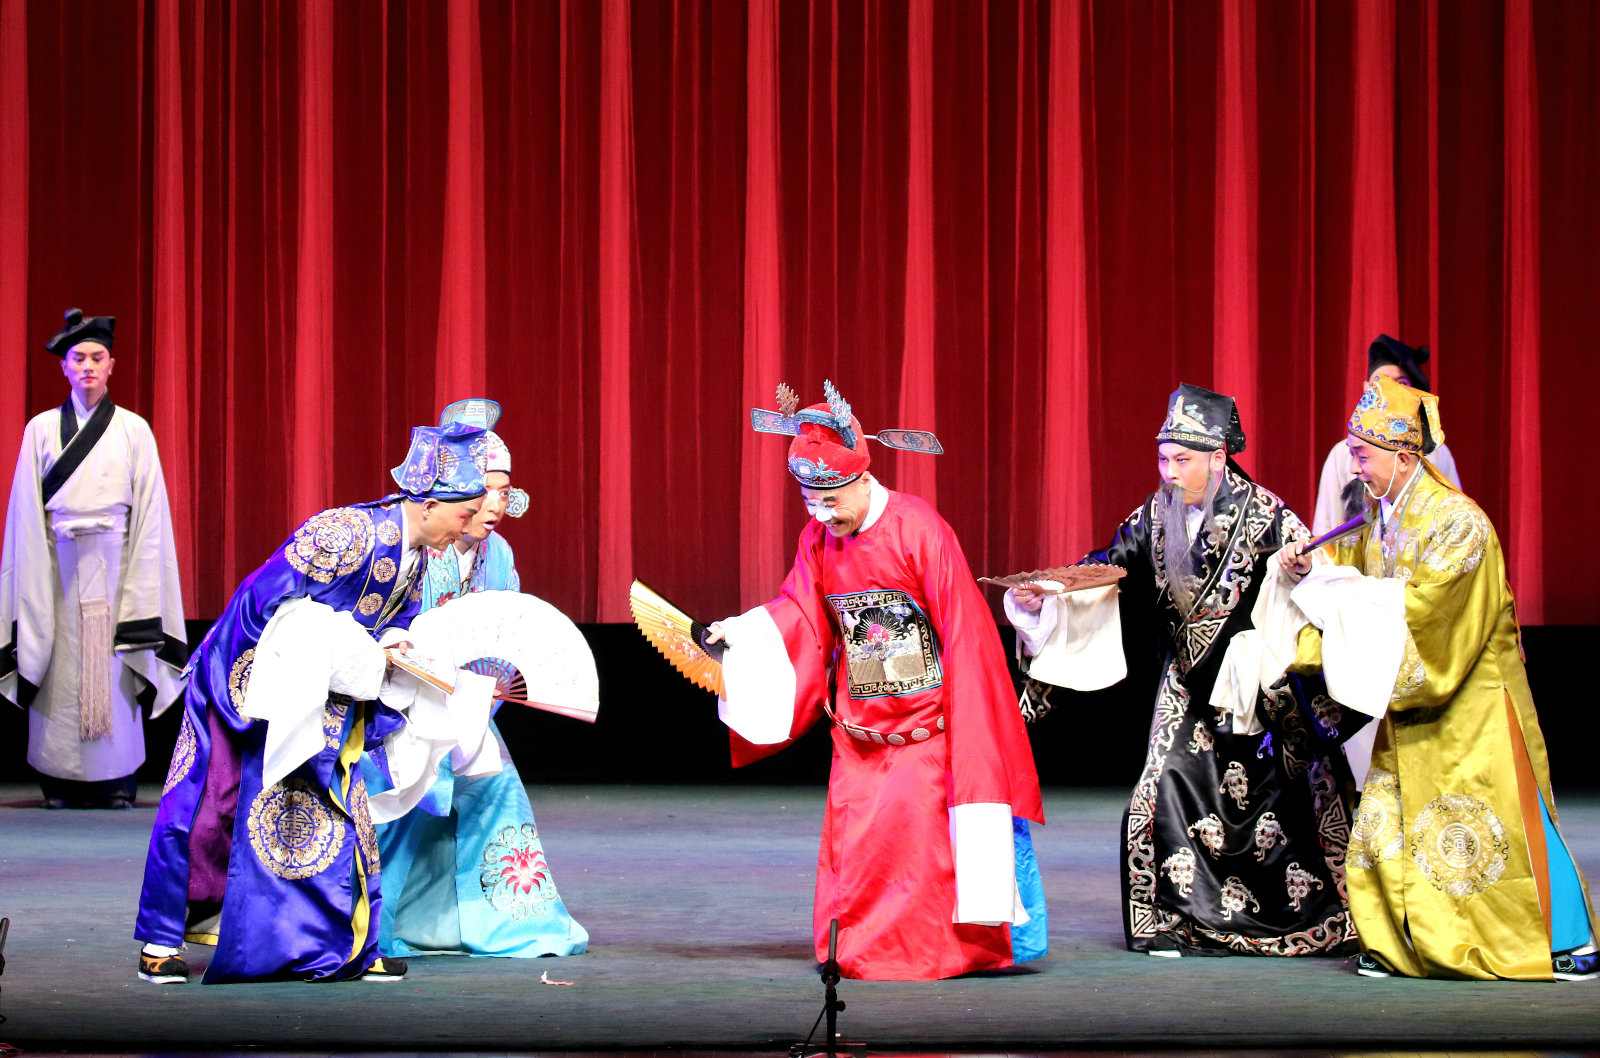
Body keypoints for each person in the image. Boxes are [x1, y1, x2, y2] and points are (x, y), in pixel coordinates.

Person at [1007, 384, 1362, 958]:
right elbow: (1106, 567)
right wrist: (1048, 591)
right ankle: (1167, 921)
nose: (1169, 473)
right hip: (1188, 683)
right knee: (1157, 792)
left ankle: (1310, 920)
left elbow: (1320, 581)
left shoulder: (1269, 516)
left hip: (1256, 690)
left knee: (1285, 805)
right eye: (1163, 459)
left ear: (1218, 458)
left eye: (1182, 460)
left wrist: (1299, 573)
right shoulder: (1154, 515)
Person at [706, 381, 1043, 981]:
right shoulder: (818, 538)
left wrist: (971, 725)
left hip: (925, 728)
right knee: (862, 851)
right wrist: (746, 632)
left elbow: (964, 630)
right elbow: (801, 613)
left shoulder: (919, 529)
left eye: (831, 500)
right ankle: (860, 949)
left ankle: (936, 952)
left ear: (862, 480)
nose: (821, 514)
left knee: (921, 853)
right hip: (860, 729)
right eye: (809, 501)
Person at [134, 422, 490, 984]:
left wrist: (396, 649)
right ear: (427, 504)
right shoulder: (343, 532)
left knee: (336, 814)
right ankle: (160, 938)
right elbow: (262, 601)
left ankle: (347, 946)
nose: (469, 527)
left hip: (328, 693)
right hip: (245, 677)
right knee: (208, 805)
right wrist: (312, 669)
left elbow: (393, 623)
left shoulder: (420, 557)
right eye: (464, 514)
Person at [1280, 375, 1599, 980]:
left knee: (1504, 821)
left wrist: (1348, 596)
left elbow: (1432, 614)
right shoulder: (1378, 518)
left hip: (1474, 702)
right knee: (1388, 823)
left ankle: (1567, 938)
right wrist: (1312, 568)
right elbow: (1350, 572)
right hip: (1415, 702)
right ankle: (1402, 942)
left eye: (1363, 455)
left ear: (1404, 458)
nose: (1355, 467)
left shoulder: (1459, 523)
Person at [369, 398, 588, 960]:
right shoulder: (416, 545)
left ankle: (511, 920)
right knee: (404, 798)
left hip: (468, 711)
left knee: (496, 786)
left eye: (503, 492)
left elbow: (505, 638)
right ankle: (371, 924)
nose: (493, 505)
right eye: (482, 491)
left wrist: (480, 704)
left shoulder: (500, 554)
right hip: (401, 709)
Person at [0, 308, 187, 810]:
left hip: (116, 563)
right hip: (56, 566)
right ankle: (58, 779)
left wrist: (142, 581)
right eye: (77, 358)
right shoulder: (41, 429)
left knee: (114, 664)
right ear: (64, 366)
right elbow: (26, 510)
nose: (87, 366)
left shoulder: (133, 430)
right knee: (58, 664)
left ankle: (116, 778)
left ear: (111, 366)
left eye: (96, 357)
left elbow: (150, 512)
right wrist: (33, 576)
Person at [1311, 335, 1460, 536]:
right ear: (1366, 388)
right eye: (1380, 382)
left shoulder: (1436, 452)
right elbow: (1327, 529)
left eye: (1401, 383)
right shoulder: (1341, 454)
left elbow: (1453, 518)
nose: (1390, 391)